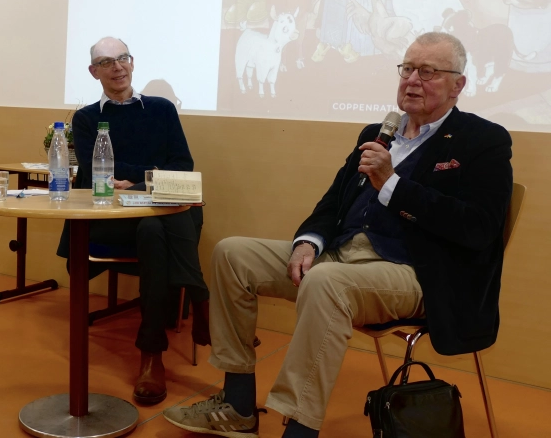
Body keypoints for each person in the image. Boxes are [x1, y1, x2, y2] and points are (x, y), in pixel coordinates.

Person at [163, 31, 513, 437]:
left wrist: (393, 184)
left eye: (429, 71)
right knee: (232, 254)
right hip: (345, 255)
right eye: (407, 68)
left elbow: (480, 228)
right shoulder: (378, 132)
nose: (412, 80)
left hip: (416, 272)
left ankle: (299, 428)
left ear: (458, 85)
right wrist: (308, 242)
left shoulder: (483, 140)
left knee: (327, 283)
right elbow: (333, 203)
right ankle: (239, 402)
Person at [56, 37, 211, 405]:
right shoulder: (87, 118)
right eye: (107, 62)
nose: (118, 67)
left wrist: (138, 181)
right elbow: (98, 171)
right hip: (114, 215)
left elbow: (183, 165)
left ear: (133, 62)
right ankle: (201, 300)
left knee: (155, 227)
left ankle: (152, 354)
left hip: (158, 211)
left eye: (123, 58)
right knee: (156, 224)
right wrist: (152, 175)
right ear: (94, 72)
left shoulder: (161, 109)